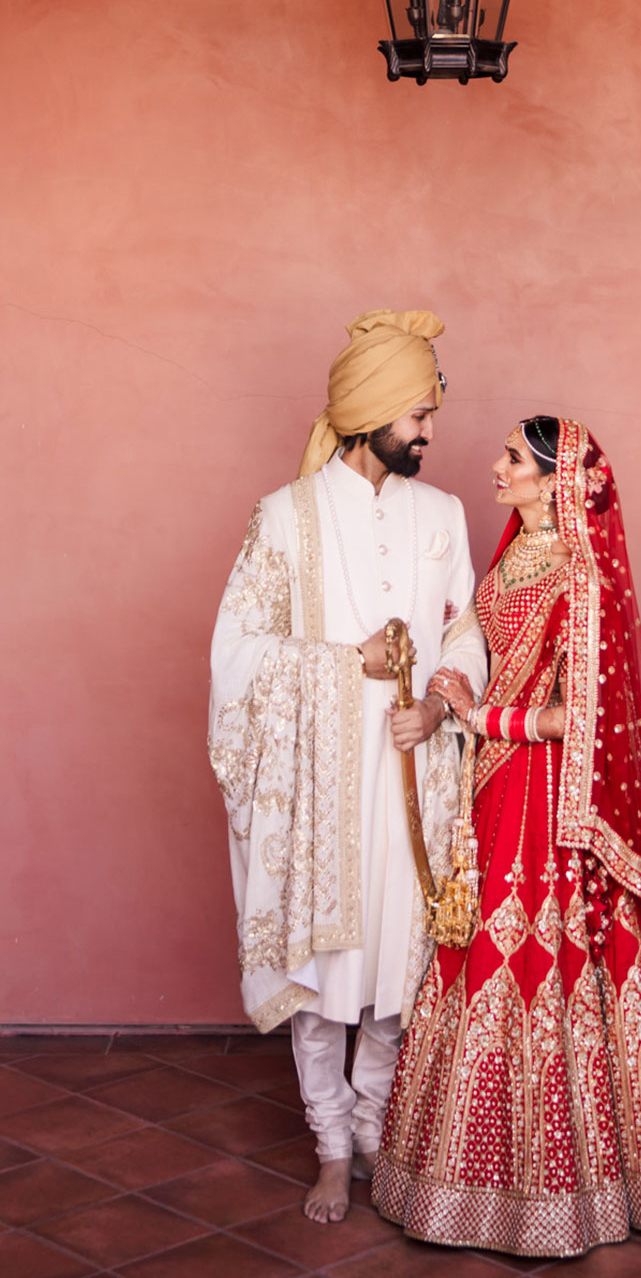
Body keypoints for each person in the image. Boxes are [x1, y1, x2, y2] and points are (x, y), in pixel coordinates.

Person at [372, 415, 641, 1257]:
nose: (496, 469)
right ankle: (468, 1185)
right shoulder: (511, 560)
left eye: (513, 461)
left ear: (554, 481)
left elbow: (584, 715)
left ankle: (592, 1191)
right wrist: (452, 684)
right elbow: (481, 644)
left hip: (549, 803)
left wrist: (482, 715)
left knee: (553, 969)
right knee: (477, 954)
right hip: (496, 797)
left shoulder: (582, 575)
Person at [208, 309, 489, 1225]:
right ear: (369, 413)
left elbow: (468, 630)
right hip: (322, 790)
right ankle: (331, 1144)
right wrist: (346, 667)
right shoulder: (283, 520)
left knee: (405, 965)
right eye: (416, 414)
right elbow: (235, 653)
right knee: (326, 975)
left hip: (415, 780)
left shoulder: (442, 515)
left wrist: (442, 701)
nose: (430, 432)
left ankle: (373, 1122)